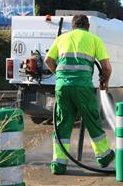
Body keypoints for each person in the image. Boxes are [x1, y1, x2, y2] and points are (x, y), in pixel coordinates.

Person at [44, 14, 114, 175]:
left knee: (63, 123)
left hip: (62, 86)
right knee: (91, 119)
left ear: (73, 26)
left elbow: (48, 60)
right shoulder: (94, 39)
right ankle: (103, 156)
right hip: (83, 87)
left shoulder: (62, 38)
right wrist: (104, 82)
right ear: (88, 26)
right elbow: (107, 67)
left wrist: (60, 75)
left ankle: (59, 163)